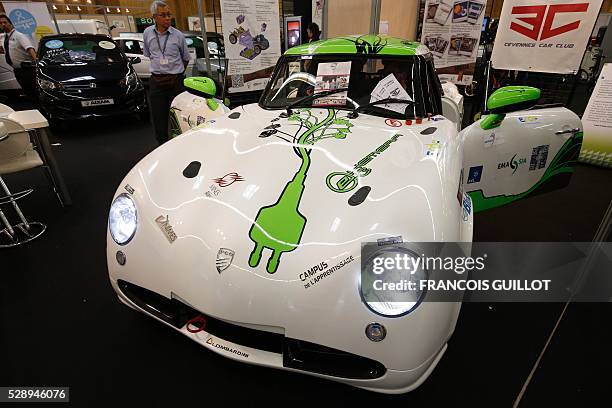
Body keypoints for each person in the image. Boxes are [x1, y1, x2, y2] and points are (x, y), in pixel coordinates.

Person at [143, 1, 190, 145]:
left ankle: (182, 144)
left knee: (179, 116)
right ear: (154, 17)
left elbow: (186, 59)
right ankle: (162, 145)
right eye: (163, 15)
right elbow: (148, 54)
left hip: (176, 81)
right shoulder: (147, 33)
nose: (168, 18)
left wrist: (175, 73)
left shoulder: (178, 35)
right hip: (157, 81)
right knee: (158, 117)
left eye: (169, 14)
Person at [0, 14, 37, 101]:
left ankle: (42, 112)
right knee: (28, 93)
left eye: (5, 22)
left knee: (34, 93)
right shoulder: (5, 37)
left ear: (11, 24)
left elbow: (30, 49)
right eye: (0, 23)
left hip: (27, 70)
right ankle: (35, 110)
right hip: (17, 70)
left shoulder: (19, 35)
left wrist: (37, 64)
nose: (3, 25)